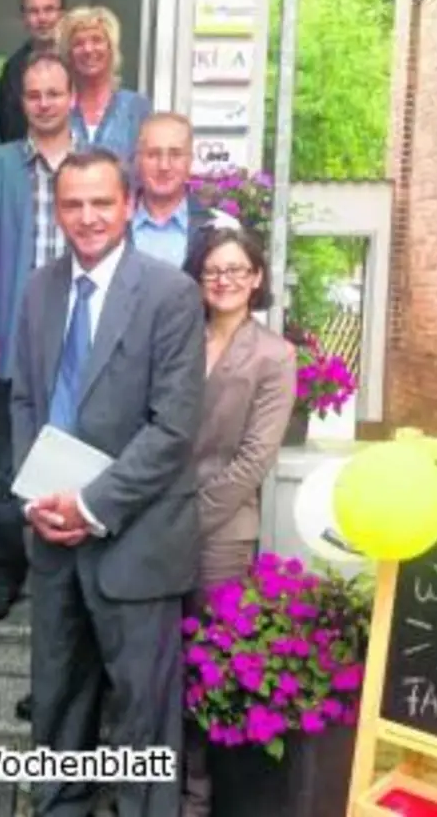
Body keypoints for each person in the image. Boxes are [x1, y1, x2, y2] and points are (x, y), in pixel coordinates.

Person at [10, 149, 205, 817]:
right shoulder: (38, 290)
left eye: (100, 202)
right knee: (58, 707)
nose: (87, 217)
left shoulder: (172, 294)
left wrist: (91, 503)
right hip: (52, 541)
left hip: (136, 543)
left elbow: (173, 428)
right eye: (72, 204)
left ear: (127, 205)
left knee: (141, 724)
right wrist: (34, 496)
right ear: (57, 211)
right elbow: (23, 403)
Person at [177, 222, 297, 817]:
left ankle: (197, 798)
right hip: (158, 521)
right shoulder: (178, 338)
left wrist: (188, 521)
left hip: (220, 534)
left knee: (203, 664)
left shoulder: (274, 356)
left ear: (256, 279)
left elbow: (255, 459)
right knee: (156, 666)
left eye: (236, 270)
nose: (223, 280)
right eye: (213, 270)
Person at [0, 51, 81, 621]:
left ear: (72, 97)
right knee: (7, 464)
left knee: (77, 456)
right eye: (33, 95)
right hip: (11, 337)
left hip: (80, 339)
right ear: (22, 102)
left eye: (54, 93)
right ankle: (7, 570)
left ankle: (66, 569)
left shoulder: (96, 167)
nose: (43, 104)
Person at [58, 6, 150, 172]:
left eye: (97, 40)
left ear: (111, 49)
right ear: (68, 54)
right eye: (78, 43)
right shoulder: (58, 107)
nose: (88, 49)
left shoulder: (136, 107)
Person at [130, 113, 225, 268]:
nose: (164, 166)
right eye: (153, 154)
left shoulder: (217, 227)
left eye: (175, 154)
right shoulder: (114, 226)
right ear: (138, 160)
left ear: (190, 162)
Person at [0, 0, 65, 144]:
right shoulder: (13, 70)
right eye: (33, 11)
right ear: (24, 18)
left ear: (62, 14)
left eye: (49, 10)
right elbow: (8, 130)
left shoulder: (78, 62)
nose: (42, 18)